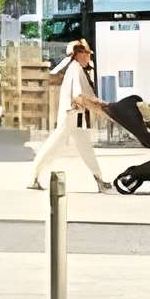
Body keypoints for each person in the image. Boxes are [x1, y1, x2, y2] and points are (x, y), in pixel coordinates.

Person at [27, 35, 112, 192]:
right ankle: (33, 176)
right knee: (53, 146)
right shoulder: (76, 68)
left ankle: (99, 179)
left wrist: (97, 106)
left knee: (85, 148)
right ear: (79, 54)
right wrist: (98, 106)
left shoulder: (76, 68)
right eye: (87, 53)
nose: (89, 57)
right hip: (71, 115)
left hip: (76, 116)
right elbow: (78, 96)